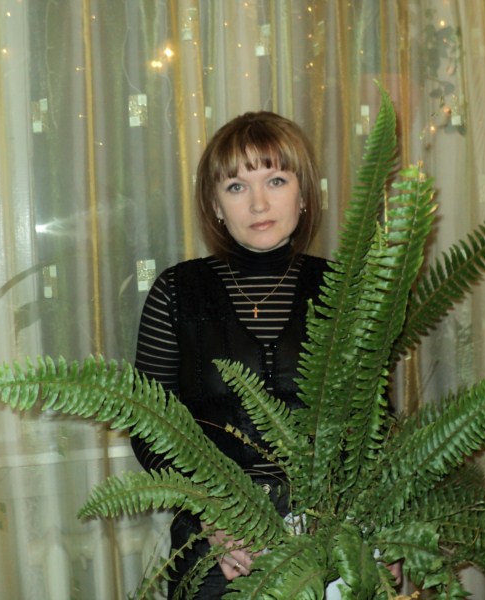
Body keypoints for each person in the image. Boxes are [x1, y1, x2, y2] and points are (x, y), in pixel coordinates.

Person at [131, 110, 328, 598]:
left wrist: (382, 542)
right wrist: (217, 515)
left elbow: (374, 424)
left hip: (328, 539)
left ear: (303, 195)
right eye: (237, 186)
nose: (258, 203)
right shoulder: (176, 292)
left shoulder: (343, 289)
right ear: (215, 205)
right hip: (217, 547)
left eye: (276, 180)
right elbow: (150, 432)